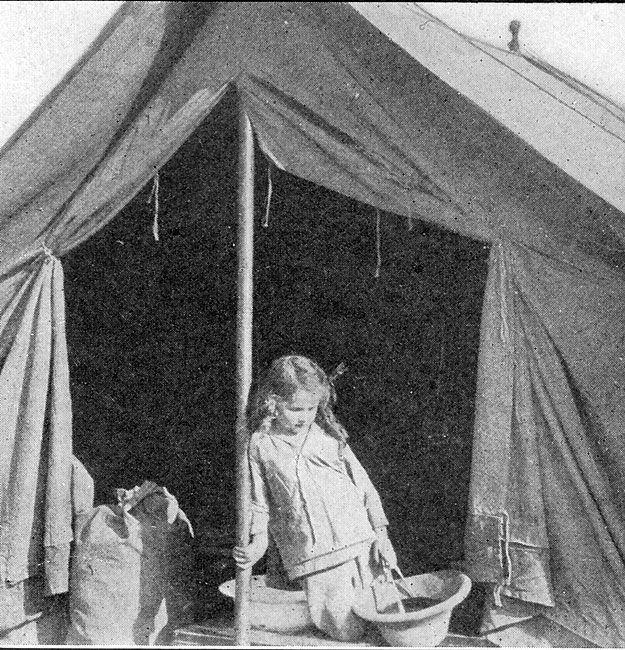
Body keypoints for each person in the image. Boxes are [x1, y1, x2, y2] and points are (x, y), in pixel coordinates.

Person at [233, 355, 397, 641]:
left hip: (358, 542)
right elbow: (260, 503)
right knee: (346, 630)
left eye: (311, 408)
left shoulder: (327, 437)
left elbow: (365, 487)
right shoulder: (260, 445)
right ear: (272, 403)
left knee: (385, 618)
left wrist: (381, 534)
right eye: (296, 408)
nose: (305, 416)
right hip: (313, 554)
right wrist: (258, 542)